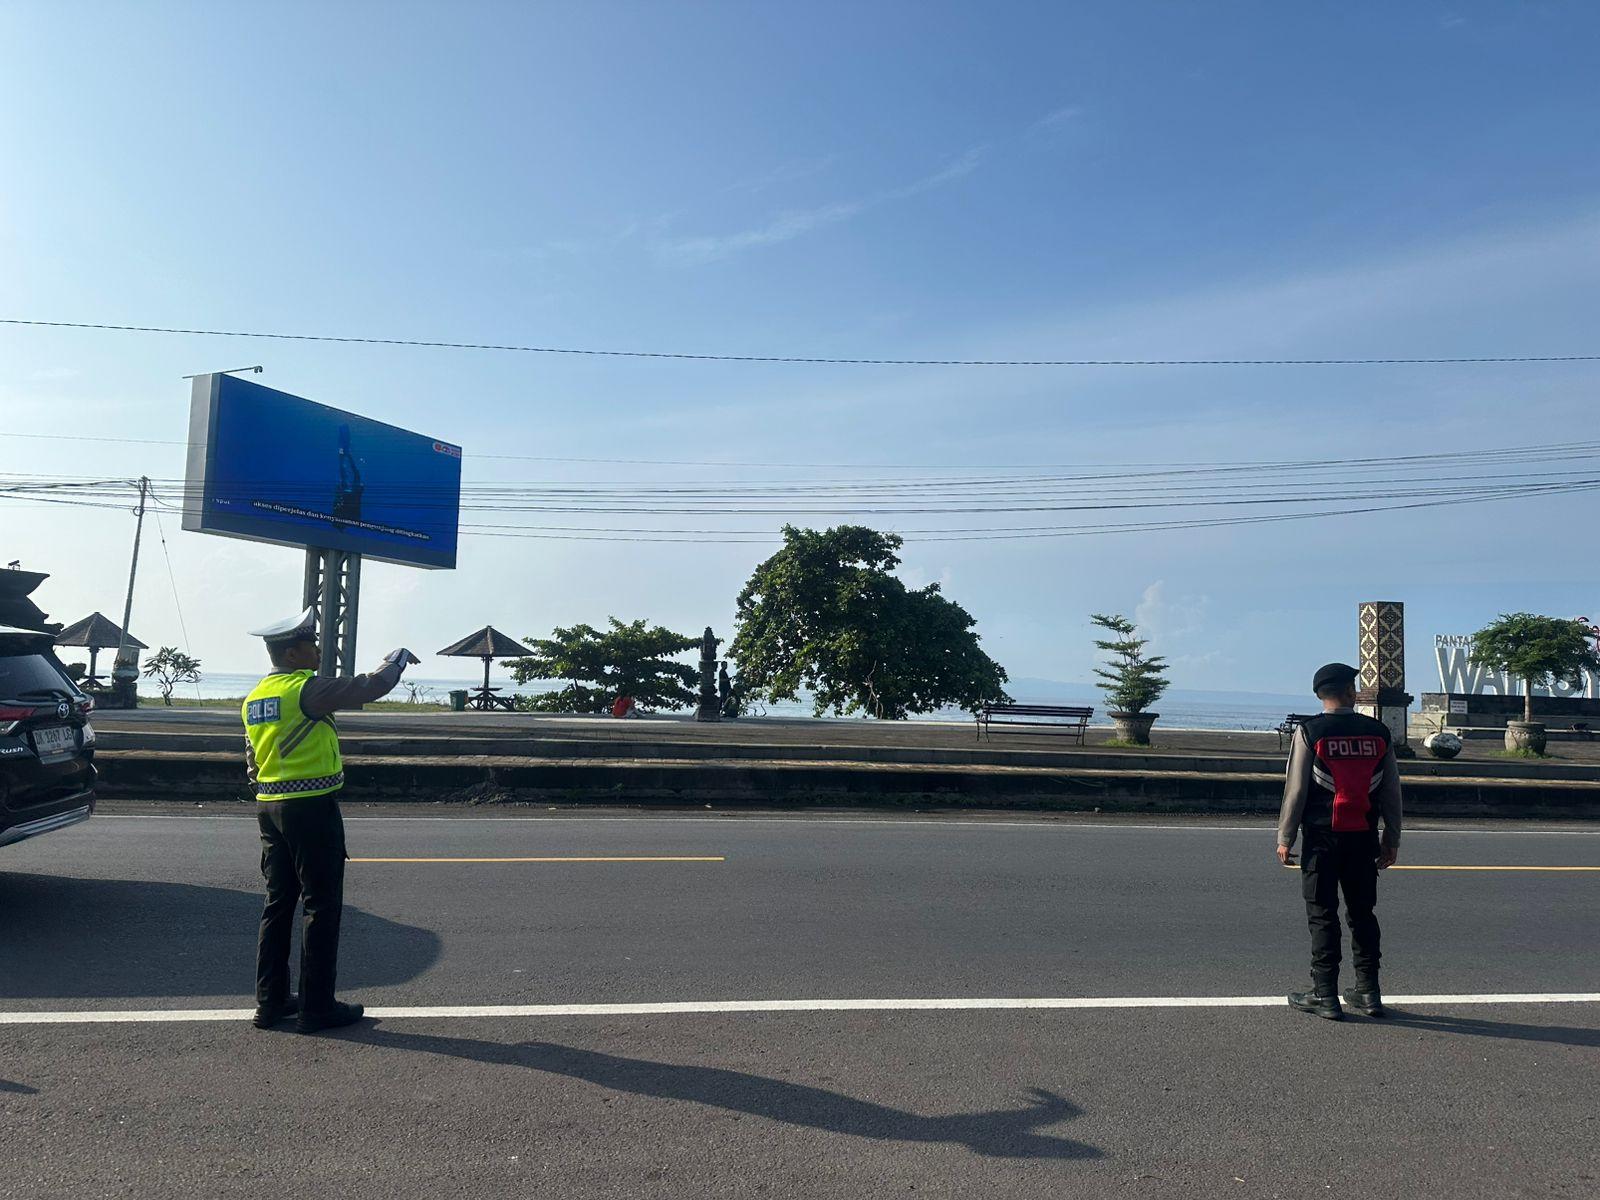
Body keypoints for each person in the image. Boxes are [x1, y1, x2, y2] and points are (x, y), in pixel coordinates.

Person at [242, 606, 418, 1033]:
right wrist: (395, 659)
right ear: (293, 652)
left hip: (269, 807)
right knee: (321, 905)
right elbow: (370, 687)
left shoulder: (256, 697)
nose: (319, 650)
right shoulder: (306, 690)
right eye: (312, 644)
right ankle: (317, 1007)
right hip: (311, 808)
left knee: (278, 903)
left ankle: (272, 1002)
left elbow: (251, 760)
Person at [1277, 662, 1404, 1021]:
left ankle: (1325, 994)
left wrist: (1285, 836)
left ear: (1320, 694)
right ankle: (1368, 992)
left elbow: (1296, 790)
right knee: (1363, 914)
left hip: (1321, 840)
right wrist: (1391, 838)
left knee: (1322, 915)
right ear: (1350, 692)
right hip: (1363, 839)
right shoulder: (1378, 732)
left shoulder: (1311, 731)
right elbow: (1392, 792)